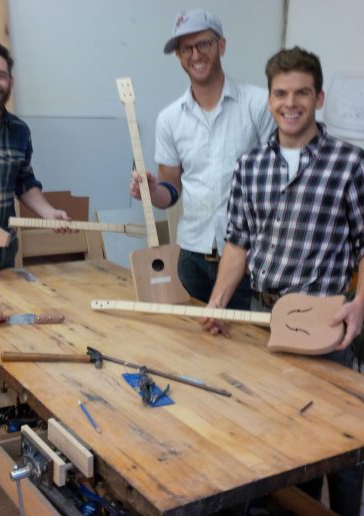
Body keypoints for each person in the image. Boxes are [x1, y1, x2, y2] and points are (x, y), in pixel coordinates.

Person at [201, 46, 364, 516]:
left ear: (319, 98)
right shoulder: (250, 166)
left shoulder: (349, 164)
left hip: (325, 324)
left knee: (332, 440)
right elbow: (237, 245)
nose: (290, 103)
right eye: (281, 93)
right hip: (260, 319)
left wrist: (360, 303)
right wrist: (216, 303)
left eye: (301, 93)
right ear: (269, 99)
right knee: (269, 434)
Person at [130, 9, 275, 310]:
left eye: (203, 44)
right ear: (179, 57)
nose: (195, 55)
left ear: (221, 46)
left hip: (246, 257)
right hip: (192, 255)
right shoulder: (170, 119)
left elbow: (280, 181)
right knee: (192, 347)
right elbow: (171, 189)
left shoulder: (259, 104)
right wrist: (152, 191)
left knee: (244, 350)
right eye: (186, 48)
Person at [0, 40, 72, 400]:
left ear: (10, 81)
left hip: (0, 262)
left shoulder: (20, 132)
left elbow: (25, 182)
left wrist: (47, 212)